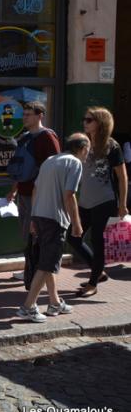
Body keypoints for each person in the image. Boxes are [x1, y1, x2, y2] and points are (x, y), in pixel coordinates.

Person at [16, 133, 89, 323]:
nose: (87, 155)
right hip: (54, 219)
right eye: (87, 151)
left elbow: (35, 190)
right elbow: (69, 195)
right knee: (47, 264)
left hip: (40, 215)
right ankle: (28, 307)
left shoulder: (50, 161)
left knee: (48, 262)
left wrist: (33, 218)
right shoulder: (74, 163)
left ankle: (55, 302)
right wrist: (77, 223)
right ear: (82, 149)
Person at [68, 107, 129, 298]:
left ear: (100, 124)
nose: (84, 123)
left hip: (105, 200)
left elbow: (122, 176)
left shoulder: (111, 146)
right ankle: (98, 270)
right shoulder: (83, 143)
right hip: (85, 200)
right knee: (73, 236)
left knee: (97, 241)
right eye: (84, 119)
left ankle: (92, 283)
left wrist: (122, 204)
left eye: (89, 120)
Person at [6, 101, 60, 284]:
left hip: (39, 195)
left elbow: (55, 167)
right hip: (24, 192)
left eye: (28, 114)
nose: (24, 118)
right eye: (24, 114)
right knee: (27, 233)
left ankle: (35, 269)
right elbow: (20, 167)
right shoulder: (25, 137)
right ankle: (30, 267)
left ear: (40, 116)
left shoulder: (48, 137)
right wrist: (13, 190)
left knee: (35, 232)